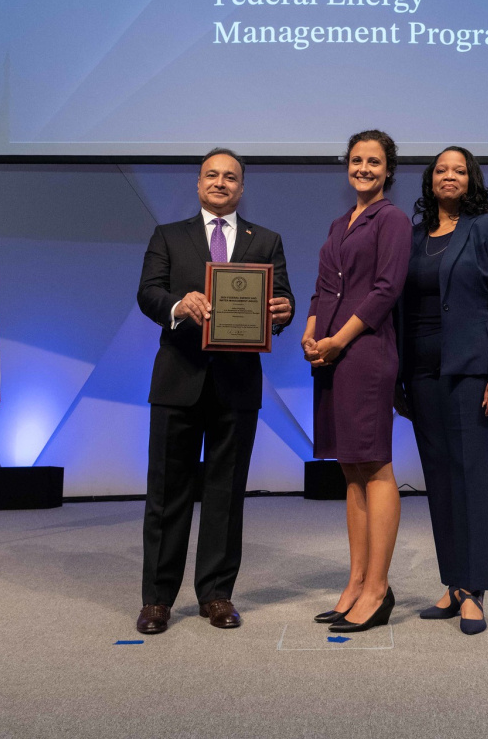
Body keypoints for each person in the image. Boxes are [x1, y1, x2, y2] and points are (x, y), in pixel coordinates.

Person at [134, 148, 294, 635]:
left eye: (230, 177)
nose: (221, 183)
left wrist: (282, 314)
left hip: (237, 386)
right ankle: (158, 600)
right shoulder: (168, 236)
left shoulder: (265, 240)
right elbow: (148, 292)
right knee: (168, 494)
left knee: (226, 496)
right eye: (212, 175)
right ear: (198, 183)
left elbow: (281, 300)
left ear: (241, 188)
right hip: (177, 381)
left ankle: (217, 596)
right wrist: (180, 304)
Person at [399, 146, 488, 635]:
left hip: (473, 372)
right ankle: (452, 583)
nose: (449, 176)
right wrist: (396, 377)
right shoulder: (414, 239)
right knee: (440, 478)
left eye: (459, 170)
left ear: (471, 180)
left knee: (472, 477)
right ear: (430, 181)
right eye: (440, 170)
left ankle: (474, 590)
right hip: (422, 371)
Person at [303, 129, 411, 633]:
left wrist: (338, 340)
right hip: (330, 355)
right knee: (350, 469)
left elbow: (387, 290)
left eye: (373, 161)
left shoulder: (391, 220)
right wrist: (310, 333)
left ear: (389, 169)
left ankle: (378, 588)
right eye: (355, 160)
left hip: (365, 353)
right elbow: (325, 287)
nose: (363, 168)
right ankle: (355, 581)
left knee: (376, 467)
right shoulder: (337, 222)